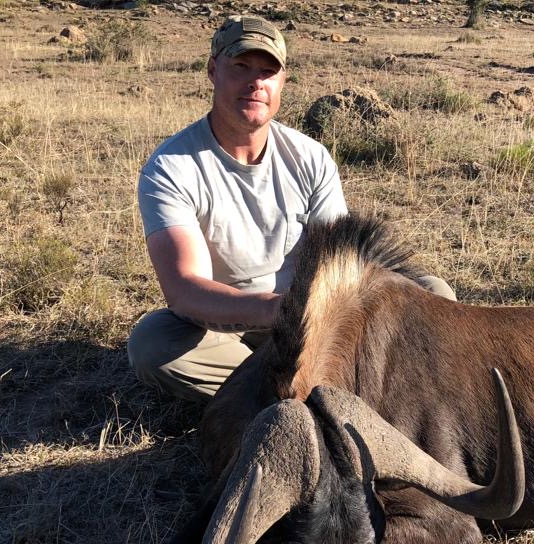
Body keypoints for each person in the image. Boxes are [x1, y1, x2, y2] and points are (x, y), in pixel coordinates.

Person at [128, 15, 455, 402]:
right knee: (154, 344)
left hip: (318, 321)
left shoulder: (310, 157)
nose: (256, 83)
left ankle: (281, 391)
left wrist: (320, 315)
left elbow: (340, 261)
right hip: (232, 330)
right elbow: (185, 290)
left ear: (282, 81)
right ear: (213, 71)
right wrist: (282, 310)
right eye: (241, 66)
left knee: (434, 293)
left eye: (268, 72)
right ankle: (329, 389)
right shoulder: (171, 167)